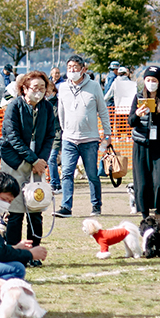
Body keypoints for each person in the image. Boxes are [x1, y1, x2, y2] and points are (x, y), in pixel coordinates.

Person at [0, 70, 57, 245]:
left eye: (43, 87)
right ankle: (14, 252)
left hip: (37, 163)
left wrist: (41, 160)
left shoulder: (46, 108)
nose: (39, 91)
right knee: (15, 211)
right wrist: (32, 159)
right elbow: (12, 136)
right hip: (15, 162)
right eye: (35, 87)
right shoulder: (14, 106)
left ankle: (34, 252)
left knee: (35, 208)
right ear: (24, 88)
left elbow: (50, 136)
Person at [52, 55, 109, 218]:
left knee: (92, 174)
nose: (72, 70)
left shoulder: (94, 86)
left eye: (75, 67)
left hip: (90, 139)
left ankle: (96, 205)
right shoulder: (62, 88)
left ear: (83, 69)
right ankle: (66, 206)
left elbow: (103, 111)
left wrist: (107, 133)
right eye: (69, 67)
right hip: (69, 138)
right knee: (67, 172)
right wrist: (65, 131)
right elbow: (61, 112)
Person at [129, 65, 160, 226]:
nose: (151, 83)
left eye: (154, 80)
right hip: (141, 145)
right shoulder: (138, 98)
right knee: (142, 184)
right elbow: (130, 122)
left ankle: (159, 214)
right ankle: (145, 218)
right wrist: (137, 114)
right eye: (148, 80)